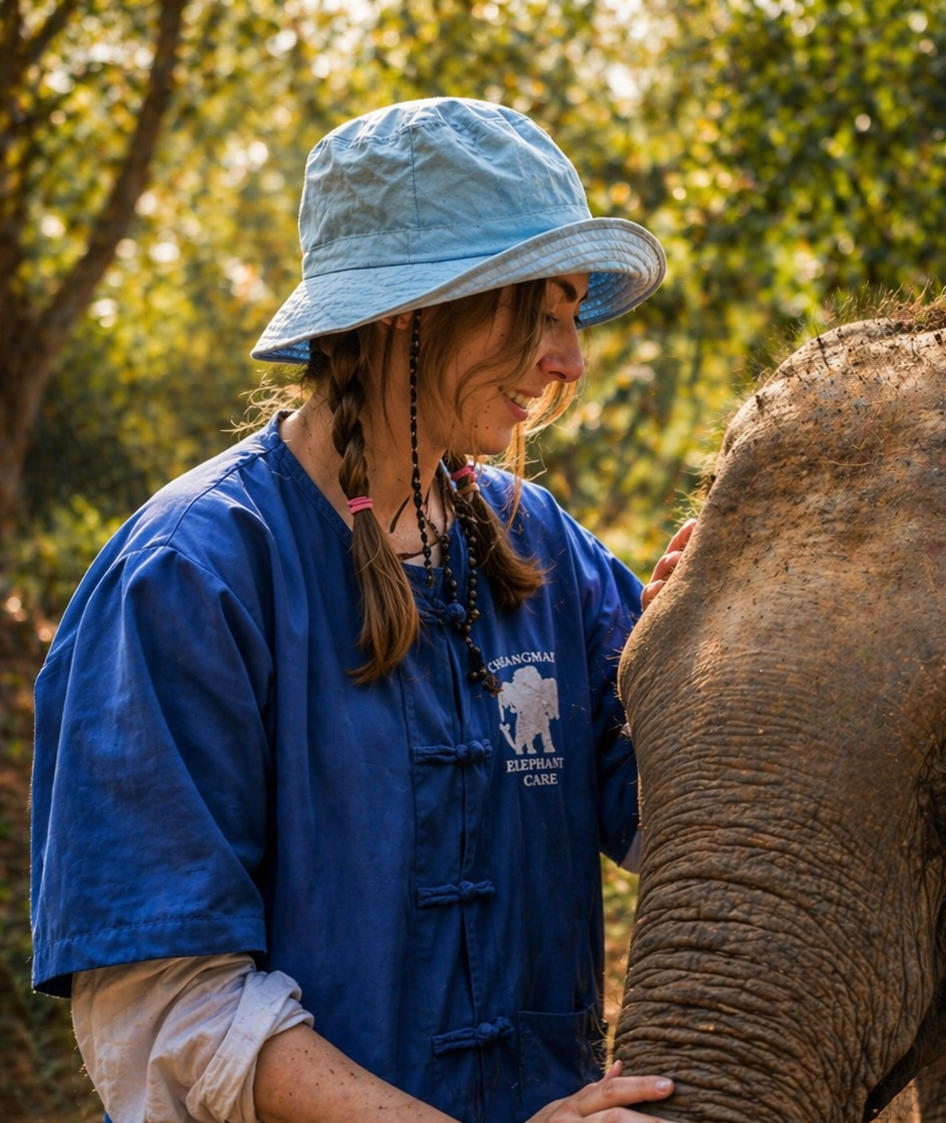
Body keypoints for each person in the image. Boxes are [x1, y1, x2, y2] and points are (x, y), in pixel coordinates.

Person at [29, 97, 693, 1123]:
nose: (572, 362)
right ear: (410, 311)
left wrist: (716, 640)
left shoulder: (540, 546)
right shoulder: (189, 575)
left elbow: (678, 819)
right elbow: (168, 1006)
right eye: (541, 313)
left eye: (573, 318)